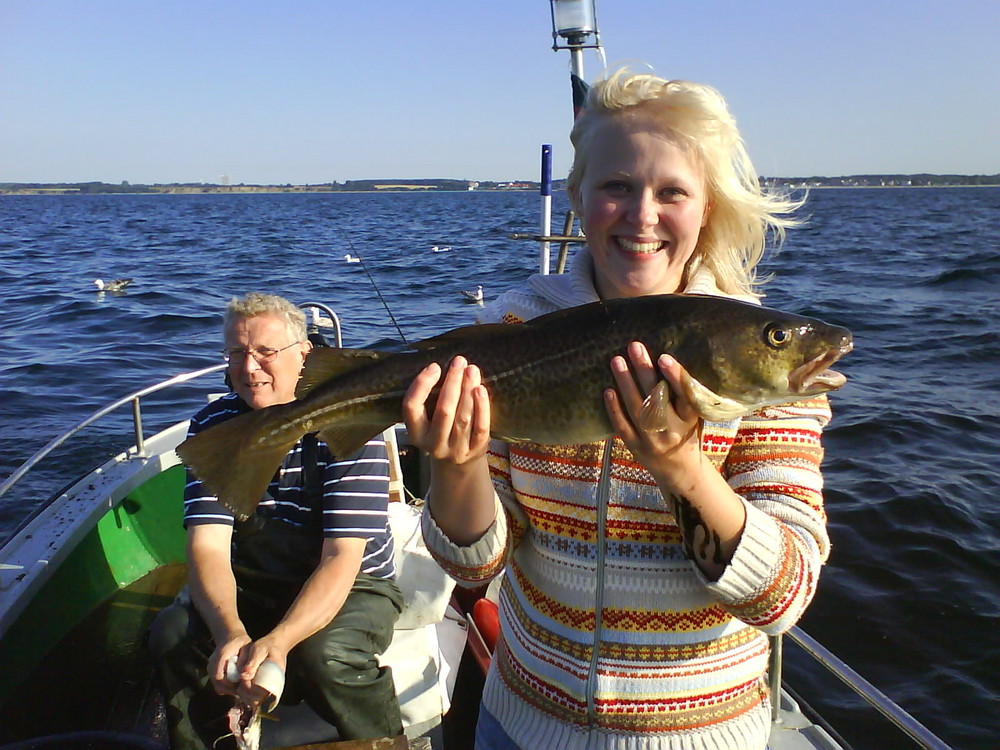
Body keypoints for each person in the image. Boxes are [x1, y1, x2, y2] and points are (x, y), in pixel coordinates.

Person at [402, 68, 830, 750]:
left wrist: (683, 469)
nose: (642, 215)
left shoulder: (767, 375)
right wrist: (457, 466)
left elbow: (781, 597)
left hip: (702, 735)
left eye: (672, 192)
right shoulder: (517, 324)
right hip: (520, 722)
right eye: (616, 187)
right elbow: (475, 565)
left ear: (708, 209)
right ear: (578, 198)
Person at [150, 292, 403, 749]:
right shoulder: (213, 427)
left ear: (304, 354)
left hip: (354, 582)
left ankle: (381, 739)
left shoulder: (351, 421)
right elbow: (208, 545)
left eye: (266, 352)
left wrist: (281, 641)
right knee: (172, 635)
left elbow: (342, 556)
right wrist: (230, 632)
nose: (249, 368)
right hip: (254, 576)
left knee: (325, 655)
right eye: (237, 353)